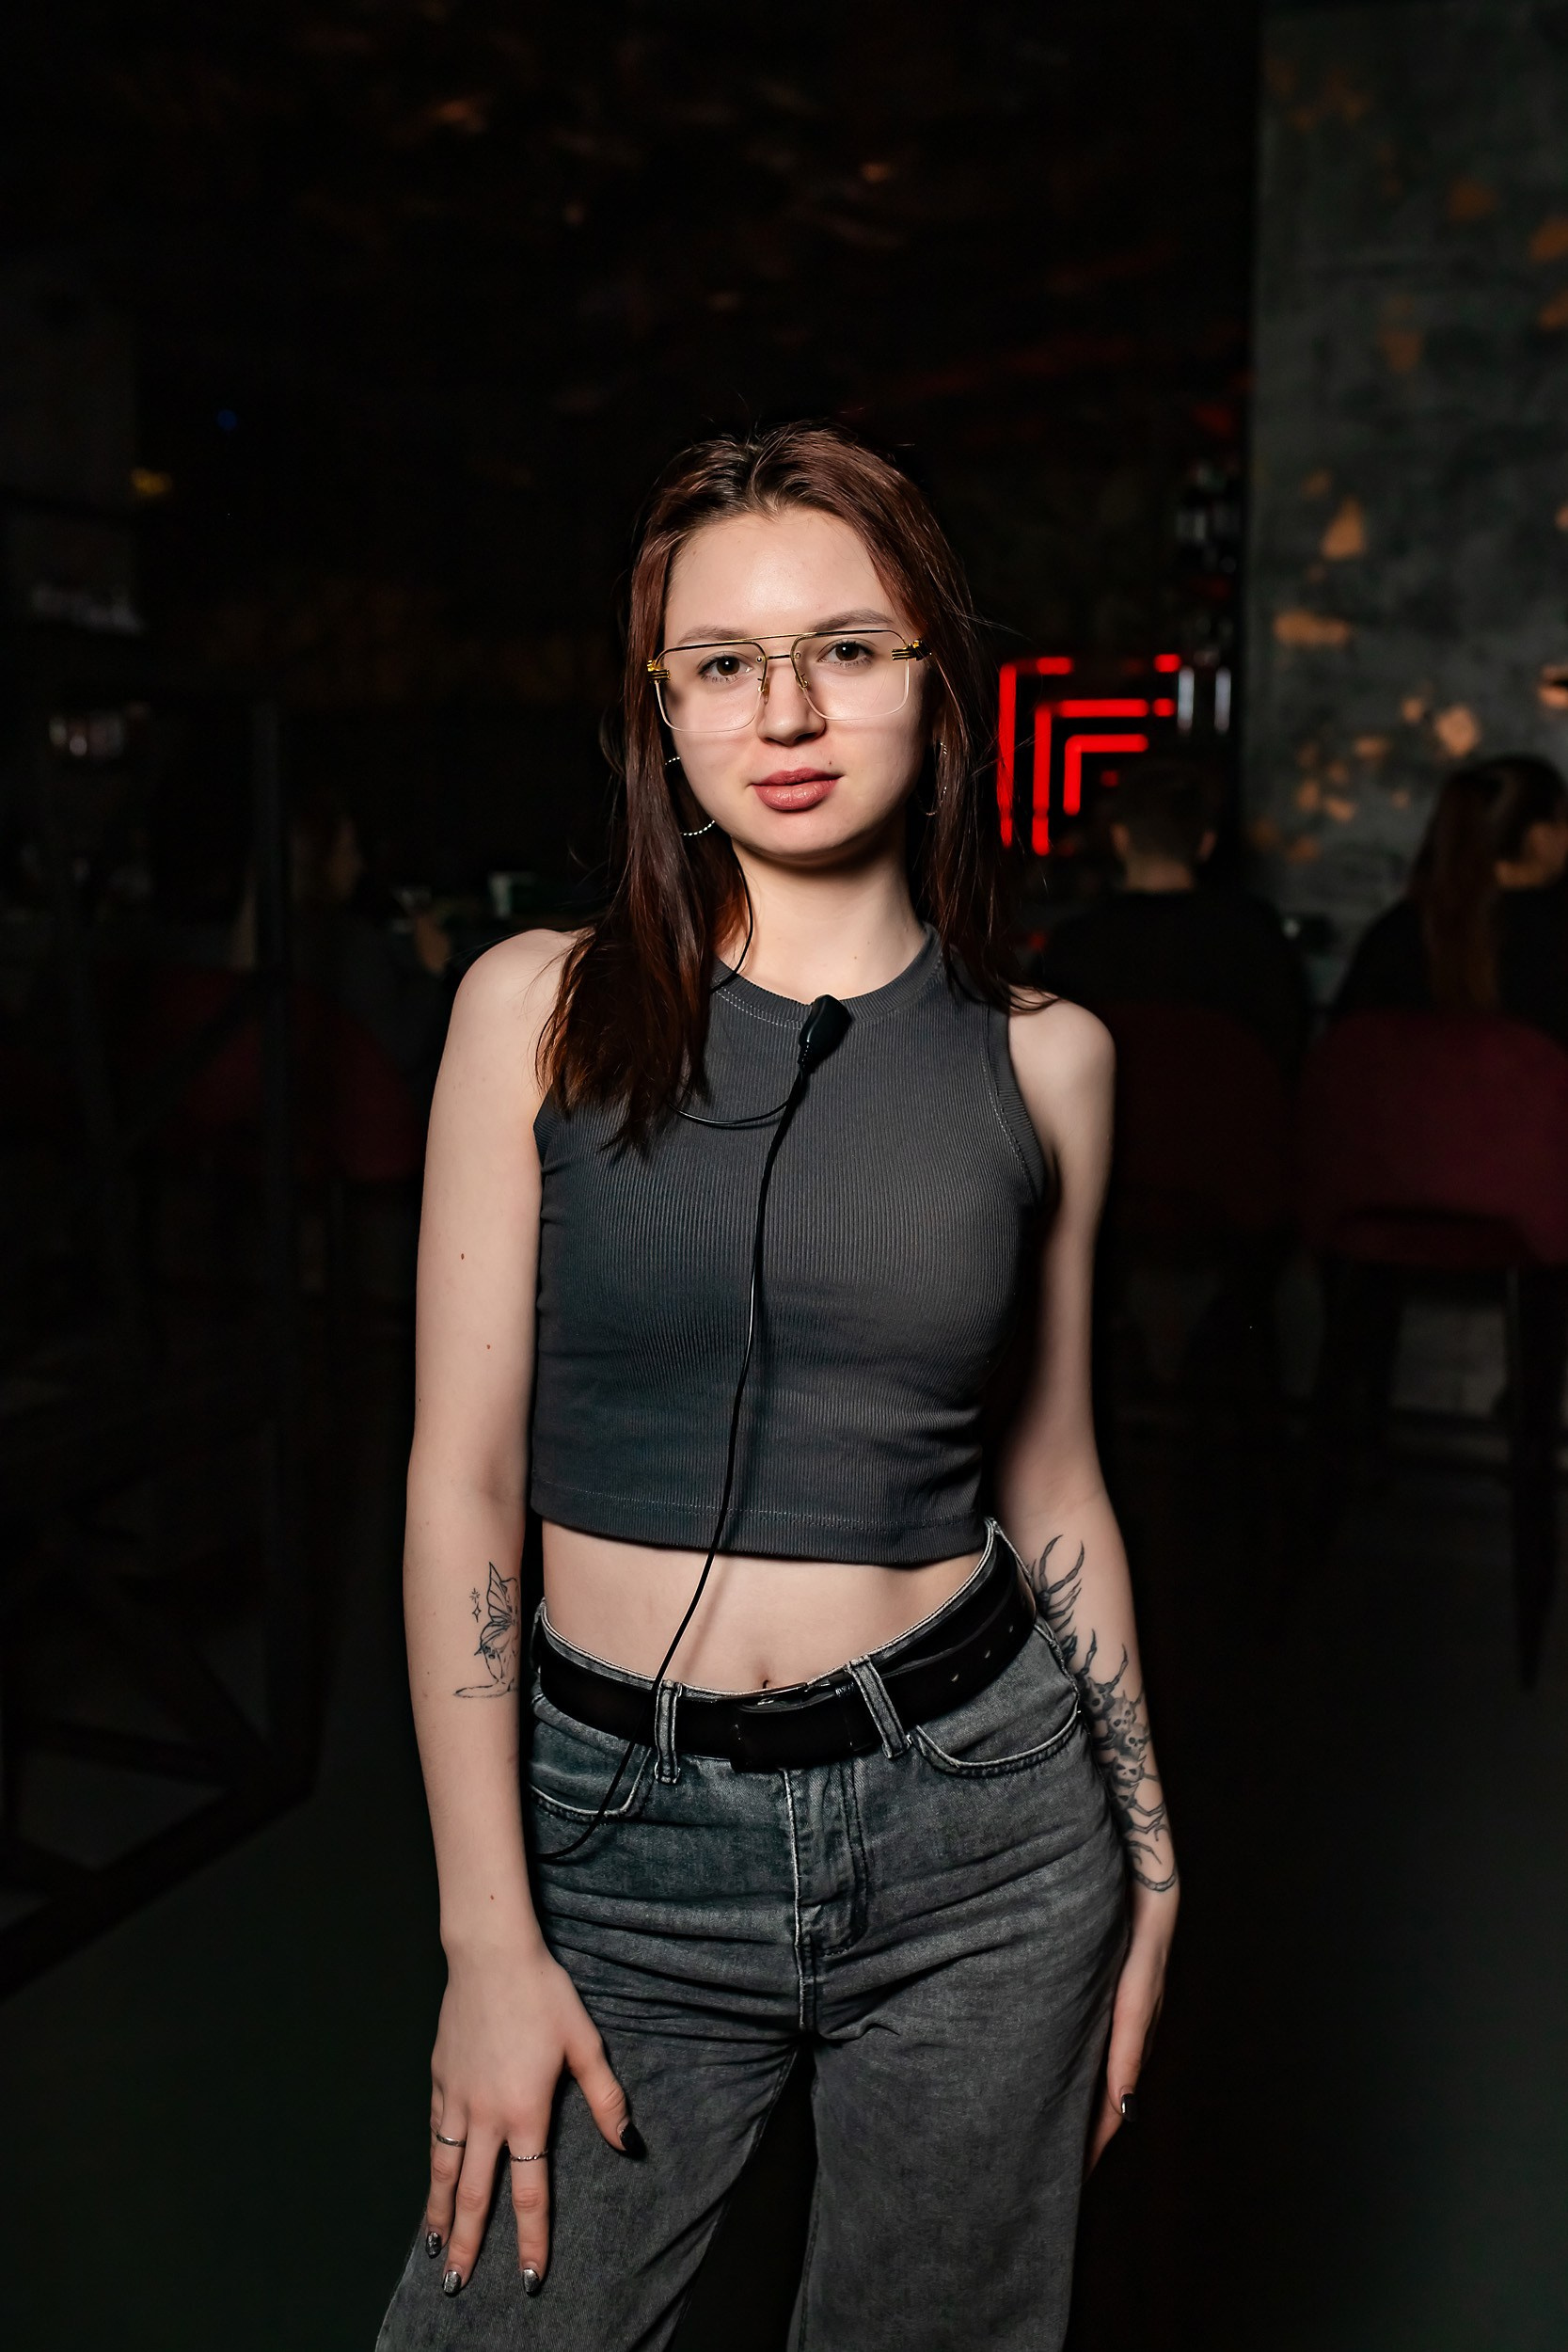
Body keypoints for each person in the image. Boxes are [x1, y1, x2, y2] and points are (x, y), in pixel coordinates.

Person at [376, 424, 1178, 2352]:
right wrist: (487, 1935)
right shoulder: (534, 1007)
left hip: (980, 1832)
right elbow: (460, 1483)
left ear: (934, 681)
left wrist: (1149, 1852)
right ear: (659, 713)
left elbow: (1052, 1478)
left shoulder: (1047, 1058)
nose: (786, 712)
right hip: (615, 1833)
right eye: (722, 662)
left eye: (847, 649)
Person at [1038, 757, 1309, 1071]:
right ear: (1206, 843)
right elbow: (1286, 1048)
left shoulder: (1073, 945)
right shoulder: (1256, 936)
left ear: (1120, 838)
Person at [231, 789, 456, 1109]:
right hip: (364, 1122)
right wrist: (432, 970)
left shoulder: (257, 933)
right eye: (348, 850)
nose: (359, 865)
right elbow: (395, 1053)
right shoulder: (346, 944)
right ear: (317, 859)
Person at [1335, 754, 1568, 1043]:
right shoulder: (1553, 932)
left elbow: (1347, 1044)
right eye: (1564, 820)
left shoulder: (1401, 929)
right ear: (1539, 838)